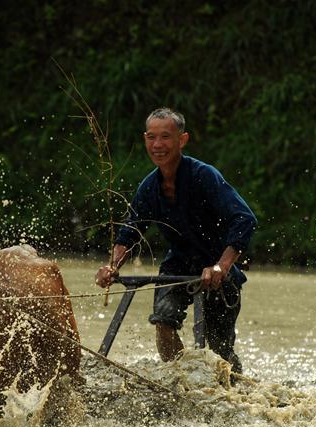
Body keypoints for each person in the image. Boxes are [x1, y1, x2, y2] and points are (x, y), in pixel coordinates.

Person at [95, 107, 257, 373]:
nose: (157, 145)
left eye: (166, 137)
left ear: (182, 140)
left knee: (220, 350)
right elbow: (130, 232)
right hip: (178, 266)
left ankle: (234, 386)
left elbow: (244, 219)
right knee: (163, 322)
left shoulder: (204, 176)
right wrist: (113, 266)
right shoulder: (149, 187)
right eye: (151, 137)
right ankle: (182, 381)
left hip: (218, 267)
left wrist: (221, 266)